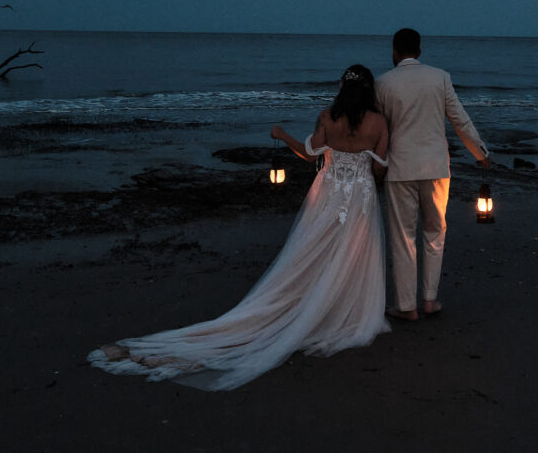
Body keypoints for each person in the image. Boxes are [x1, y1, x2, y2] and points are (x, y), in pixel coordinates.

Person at [88, 64, 390, 391]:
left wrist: (281, 135)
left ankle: (309, 304)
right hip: (359, 196)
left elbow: (307, 154)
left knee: (311, 252)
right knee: (351, 253)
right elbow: (378, 167)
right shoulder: (379, 123)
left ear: (342, 88)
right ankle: (337, 308)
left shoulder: (328, 116)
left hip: (329, 192)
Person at [375, 28, 491, 321]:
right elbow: (459, 119)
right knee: (435, 233)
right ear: (420, 51)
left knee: (403, 238)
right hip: (436, 167)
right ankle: (429, 300)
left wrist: (369, 161)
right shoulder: (440, 77)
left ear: (394, 51)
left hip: (400, 168)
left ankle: (406, 306)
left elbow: (378, 128)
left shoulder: (384, 83)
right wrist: (480, 153)